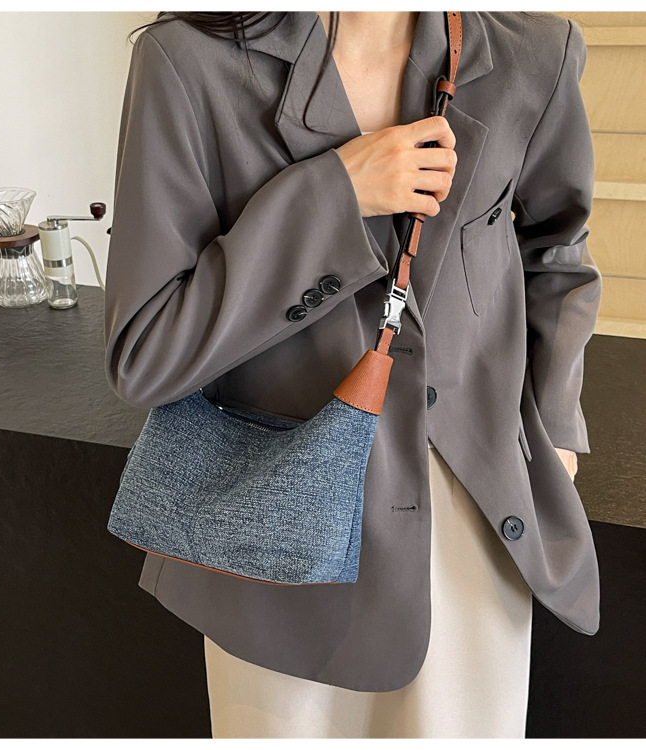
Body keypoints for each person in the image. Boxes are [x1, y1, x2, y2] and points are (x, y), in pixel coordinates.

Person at [104, 10, 602, 738]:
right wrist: (335, 196)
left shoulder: (535, 54)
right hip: (274, 537)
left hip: (472, 519)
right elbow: (145, 353)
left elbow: (556, 251)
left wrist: (554, 424)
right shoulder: (185, 62)